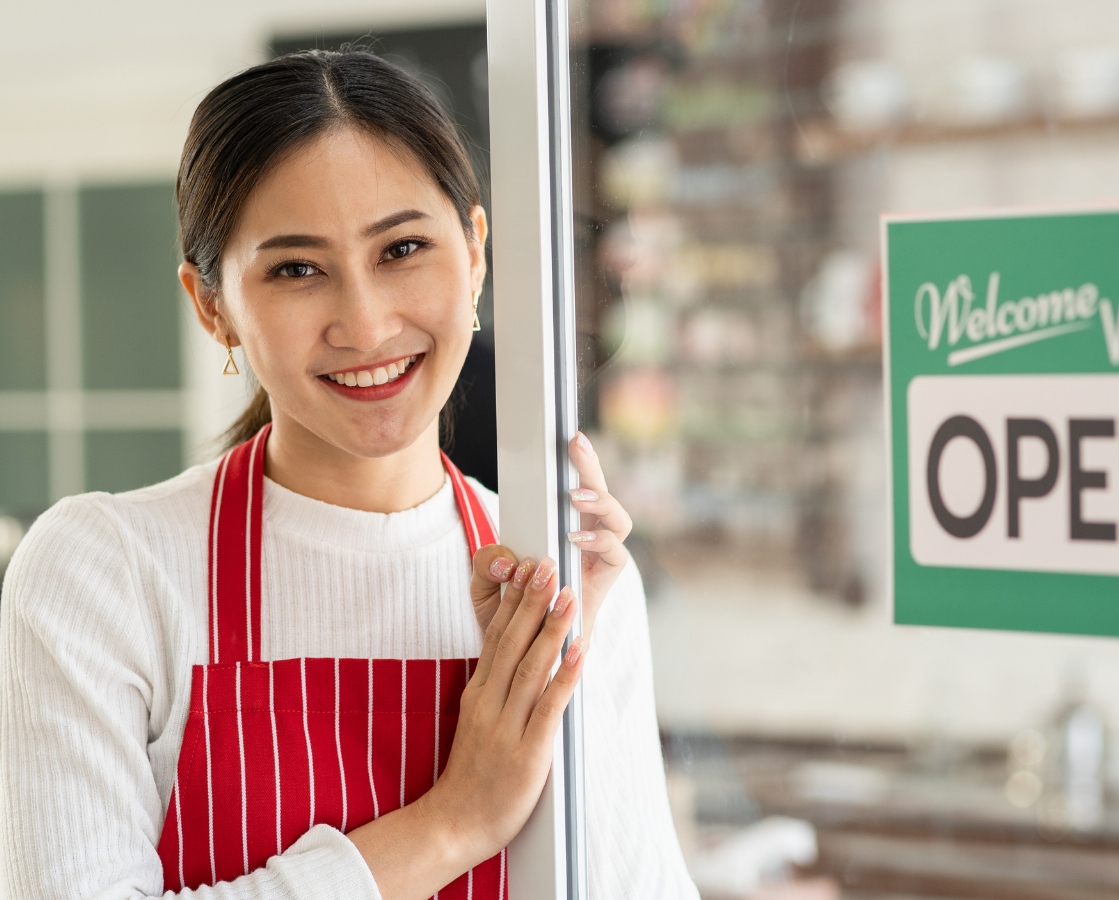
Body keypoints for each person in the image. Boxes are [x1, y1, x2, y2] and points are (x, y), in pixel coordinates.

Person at [0, 50, 698, 899]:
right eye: (297, 269)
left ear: (475, 253)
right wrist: (453, 823)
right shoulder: (102, 571)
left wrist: (577, 642)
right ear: (212, 305)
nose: (366, 325)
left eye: (402, 248)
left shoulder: (562, 577)